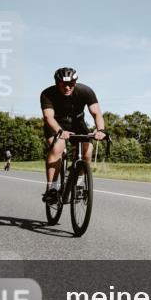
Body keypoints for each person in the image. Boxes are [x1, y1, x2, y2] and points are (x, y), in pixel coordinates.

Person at [40, 67, 106, 204]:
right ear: (57, 83)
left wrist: (101, 130)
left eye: (71, 84)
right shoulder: (47, 94)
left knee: (88, 150)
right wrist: (60, 131)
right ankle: (51, 189)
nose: (68, 87)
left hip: (77, 123)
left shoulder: (85, 91)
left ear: (75, 82)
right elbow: (48, 117)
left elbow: (96, 113)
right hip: (55, 124)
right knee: (57, 148)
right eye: (64, 84)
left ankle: (80, 184)